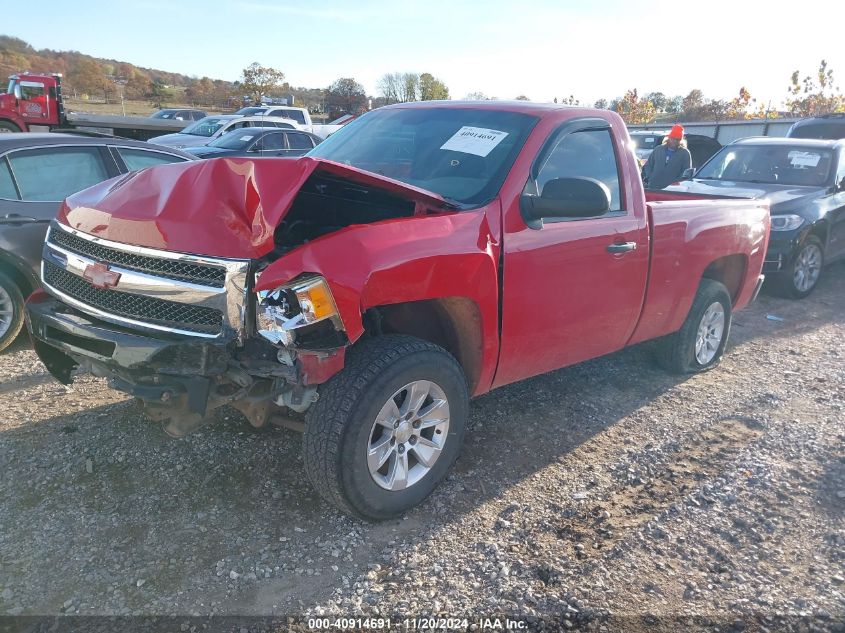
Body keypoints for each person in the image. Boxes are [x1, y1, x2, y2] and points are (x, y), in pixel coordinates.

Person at [641, 124, 692, 189]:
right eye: (673, 138)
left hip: (672, 190)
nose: (675, 141)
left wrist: (677, 182)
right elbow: (648, 165)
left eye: (677, 139)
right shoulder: (658, 149)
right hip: (653, 187)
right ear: (669, 138)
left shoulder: (685, 153)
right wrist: (649, 177)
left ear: (680, 140)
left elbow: (686, 173)